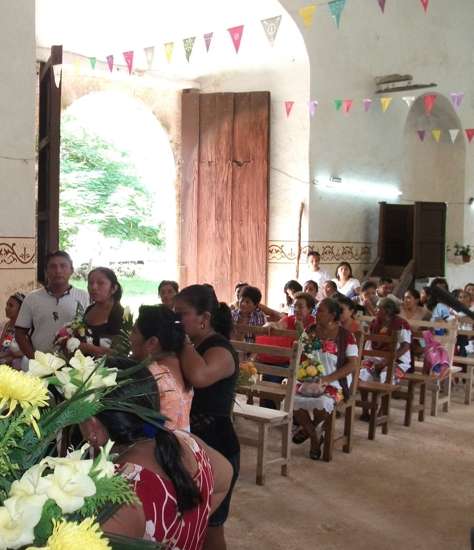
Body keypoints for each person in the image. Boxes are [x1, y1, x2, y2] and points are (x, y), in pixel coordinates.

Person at [79, 375, 232, 549]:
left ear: (92, 426)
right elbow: (226, 473)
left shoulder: (120, 490)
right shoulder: (186, 442)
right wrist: (194, 521)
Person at [175, 285, 239, 550]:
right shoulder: (194, 344)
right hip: (192, 437)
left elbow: (200, 378)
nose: (176, 319)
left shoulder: (220, 349)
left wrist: (181, 341)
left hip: (217, 441)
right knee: (190, 524)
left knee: (210, 526)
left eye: (182, 314)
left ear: (204, 318)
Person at [292, 298, 358, 459]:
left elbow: (352, 365)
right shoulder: (310, 330)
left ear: (332, 315)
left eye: (320, 311)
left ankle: (309, 429)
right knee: (291, 399)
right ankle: (315, 437)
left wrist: (328, 378)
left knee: (324, 402)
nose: (316, 313)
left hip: (336, 380)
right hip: (309, 377)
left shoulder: (346, 335)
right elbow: (302, 356)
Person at [130, 304, 193, 432]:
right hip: (185, 446)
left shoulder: (151, 374)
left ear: (152, 342)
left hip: (158, 449)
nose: (130, 337)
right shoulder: (183, 364)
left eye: (134, 332)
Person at [15, 251, 89, 358]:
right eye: (53, 267)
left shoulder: (84, 297)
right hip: (41, 363)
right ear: (46, 271)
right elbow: (20, 333)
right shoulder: (32, 298)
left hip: (74, 364)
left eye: (63, 266)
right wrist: (34, 359)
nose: (58, 271)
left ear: (71, 270)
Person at [359, 298, 412, 386]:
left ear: (387, 311)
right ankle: (365, 399)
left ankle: (383, 397)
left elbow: (405, 346)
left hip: (396, 360)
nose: (376, 310)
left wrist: (387, 361)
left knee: (386, 375)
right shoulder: (375, 323)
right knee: (362, 374)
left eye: (378, 308)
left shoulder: (401, 324)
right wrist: (372, 360)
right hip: (376, 359)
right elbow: (369, 342)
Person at [80, 267, 124, 357]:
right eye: (90, 283)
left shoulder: (119, 314)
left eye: (101, 283)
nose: (94, 287)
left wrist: (87, 348)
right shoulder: (89, 309)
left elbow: (119, 353)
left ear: (114, 288)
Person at [0, 292, 25, 370]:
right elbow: (3, 346)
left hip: (18, 369)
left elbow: (27, 352)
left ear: (21, 309)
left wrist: (9, 358)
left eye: (11, 306)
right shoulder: (4, 325)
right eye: (7, 304)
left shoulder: (26, 329)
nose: (6, 308)